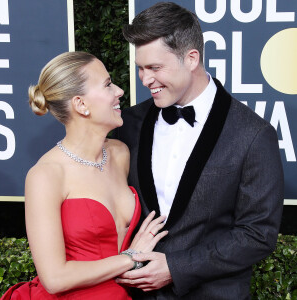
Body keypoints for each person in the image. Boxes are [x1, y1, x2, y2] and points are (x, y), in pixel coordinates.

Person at [113, 2, 284, 299]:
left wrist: (176, 267)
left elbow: (258, 233)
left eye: (154, 67)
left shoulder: (253, 135)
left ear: (192, 58)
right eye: (140, 68)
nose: (145, 79)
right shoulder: (130, 123)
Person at [0, 51, 168, 300]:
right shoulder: (46, 175)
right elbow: (55, 279)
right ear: (81, 104)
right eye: (108, 84)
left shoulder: (120, 154)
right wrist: (130, 257)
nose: (119, 91)